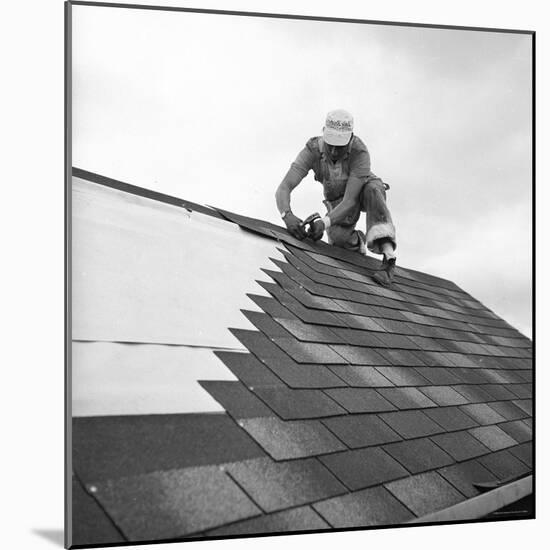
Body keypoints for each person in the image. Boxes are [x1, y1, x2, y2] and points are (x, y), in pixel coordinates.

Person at [275, 109, 397, 286]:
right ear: (324, 132)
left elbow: (350, 201)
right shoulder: (312, 149)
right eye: (330, 144)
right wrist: (287, 215)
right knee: (339, 240)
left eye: (339, 146)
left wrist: (323, 223)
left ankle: (389, 258)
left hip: (360, 191)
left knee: (373, 190)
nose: (333, 151)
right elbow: (284, 187)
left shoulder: (360, 152)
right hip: (337, 198)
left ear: (350, 138)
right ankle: (357, 241)